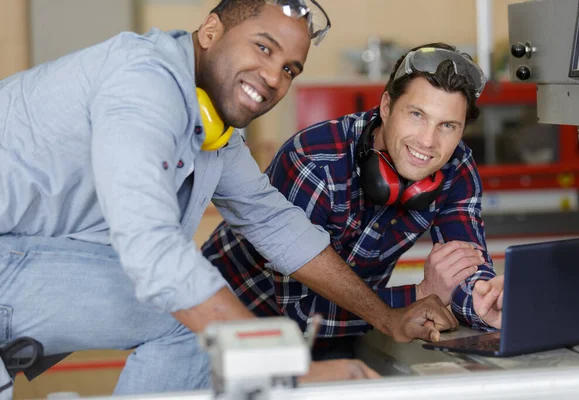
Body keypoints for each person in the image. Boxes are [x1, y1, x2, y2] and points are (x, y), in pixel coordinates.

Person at [0, 0, 459, 396]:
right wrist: (282, 366)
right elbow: (151, 248)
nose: (273, 78)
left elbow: (275, 224)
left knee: (190, 309)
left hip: (18, 262)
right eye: (263, 47)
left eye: (289, 70)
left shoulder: (215, 133)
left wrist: (386, 317)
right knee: (184, 313)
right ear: (211, 30)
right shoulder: (142, 85)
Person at [202, 42, 505, 359]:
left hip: (346, 328)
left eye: (447, 126)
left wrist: (485, 302)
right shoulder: (315, 161)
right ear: (386, 106)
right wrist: (419, 295)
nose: (428, 142)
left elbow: (466, 266)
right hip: (224, 325)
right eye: (417, 114)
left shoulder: (455, 164)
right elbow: (300, 314)